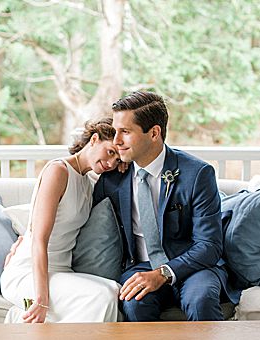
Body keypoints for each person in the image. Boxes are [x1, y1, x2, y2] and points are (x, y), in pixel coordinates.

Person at [92, 91, 228, 322]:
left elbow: (209, 245)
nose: (116, 141)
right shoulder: (113, 177)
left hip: (194, 267)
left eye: (125, 132)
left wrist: (164, 273)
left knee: (201, 300)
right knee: (134, 304)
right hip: (139, 267)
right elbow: (79, 212)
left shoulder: (197, 174)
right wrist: (30, 237)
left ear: (154, 133)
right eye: (115, 131)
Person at [0, 117, 123, 324]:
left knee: (114, 290)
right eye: (110, 151)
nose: (111, 163)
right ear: (94, 139)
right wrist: (41, 300)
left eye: (118, 160)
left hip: (61, 271)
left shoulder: (88, 181)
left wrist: (124, 167)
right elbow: (39, 239)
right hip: (28, 273)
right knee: (102, 296)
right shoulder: (58, 171)